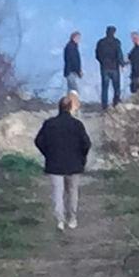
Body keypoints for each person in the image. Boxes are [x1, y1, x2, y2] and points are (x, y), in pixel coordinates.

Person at [34, 93, 91, 231]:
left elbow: (38, 141)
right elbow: (86, 143)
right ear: (70, 107)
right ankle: (72, 219)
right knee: (72, 192)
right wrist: (81, 158)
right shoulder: (77, 125)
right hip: (74, 165)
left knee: (57, 193)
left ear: (58, 108)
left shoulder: (49, 124)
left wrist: (48, 154)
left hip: (54, 164)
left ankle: (59, 221)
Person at [95, 26, 125, 108]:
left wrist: (102, 62)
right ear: (114, 32)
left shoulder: (101, 42)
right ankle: (116, 103)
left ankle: (104, 105)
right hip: (114, 67)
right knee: (116, 87)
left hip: (104, 68)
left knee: (105, 87)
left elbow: (97, 55)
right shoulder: (116, 42)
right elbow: (119, 54)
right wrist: (122, 63)